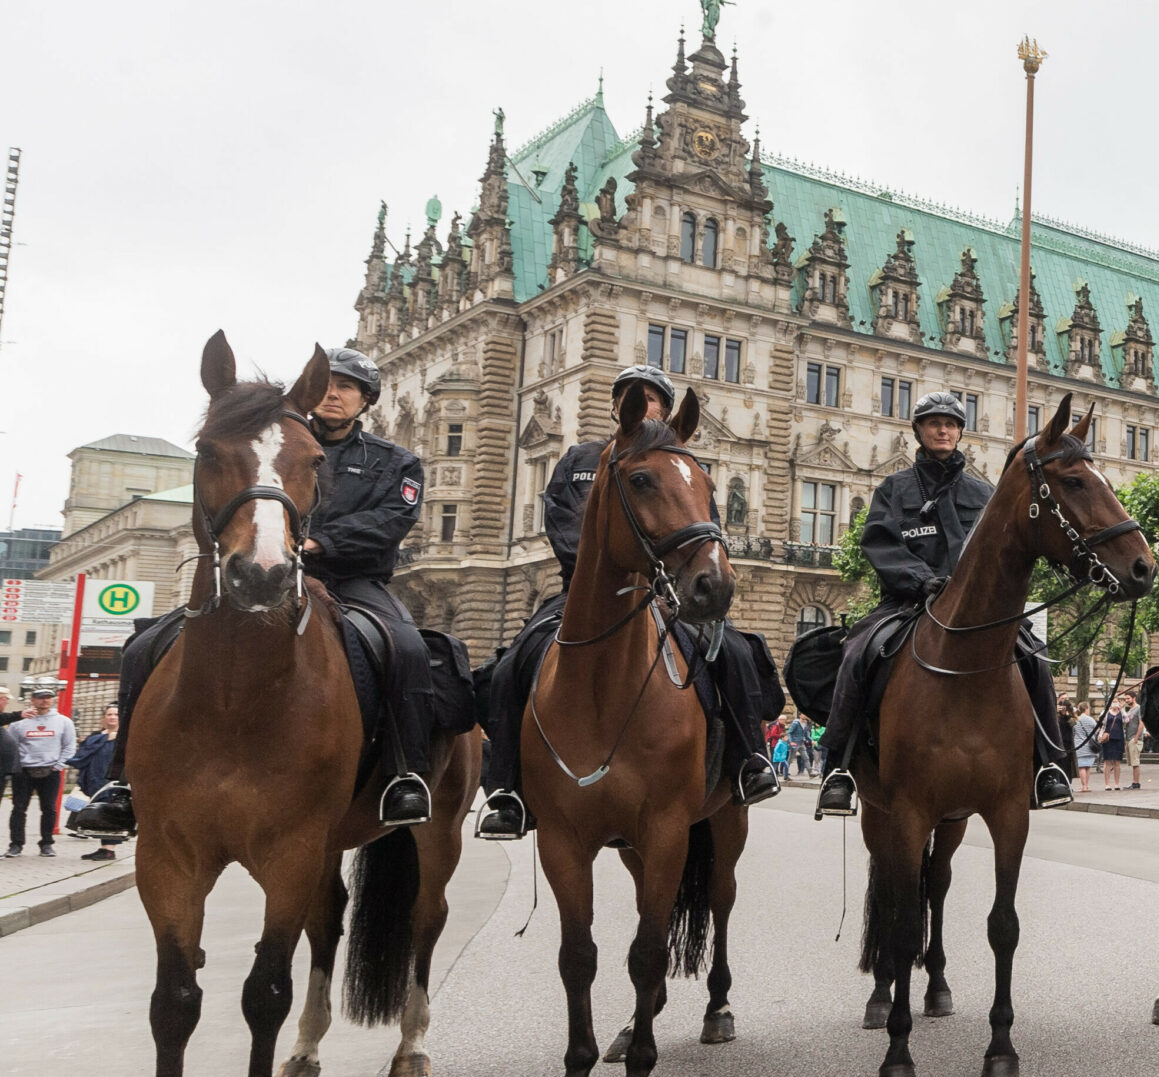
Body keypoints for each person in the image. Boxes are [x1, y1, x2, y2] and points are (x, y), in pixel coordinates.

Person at [80, 347, 434, 837]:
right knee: (143, 646)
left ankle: (404, 773)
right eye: (328, 384)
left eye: (348, 386)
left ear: (366, 400)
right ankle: (121, 784)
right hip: (265, 568)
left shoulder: (397, 462)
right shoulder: (274, 442)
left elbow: (393, 521)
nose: (335, 393)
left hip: (351, 580)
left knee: (408, 647)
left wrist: (318, 542)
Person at [476, 364, 779, 840]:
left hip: (664, 593)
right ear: (619, 407)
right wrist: (601, 568)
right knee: (513, 663)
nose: (644, 405)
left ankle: (749, 760)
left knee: (737, 653)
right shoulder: (581, 457)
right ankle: (506, 788)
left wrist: (679, 575)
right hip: (584, 591)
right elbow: (560, 518)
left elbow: (705, 525)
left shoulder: (683, 466)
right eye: (632, 397)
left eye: (654, 398)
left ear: (664, 407)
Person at [816, 393, 1075, 816]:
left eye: (951, 424)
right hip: (907, 605)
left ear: (960, 432)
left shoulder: (984, 492)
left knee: (1034, 653)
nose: (943, 430)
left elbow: (1005, 548)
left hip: (977, 614)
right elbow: (879, 544)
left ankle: (1049, 763)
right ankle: (838, 766)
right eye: (934, 423)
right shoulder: (894, 488)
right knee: (856, 651)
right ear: (918, 430)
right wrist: (923, 583)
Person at [4, 683, 77, 857]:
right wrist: (18, 766)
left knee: (49, 809)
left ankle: (46, 843)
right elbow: (13, 746)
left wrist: (58, 766)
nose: (45, 701)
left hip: (50, 771)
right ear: (33, 700)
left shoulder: (63, 721)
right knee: (19, 809)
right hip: (24, 772)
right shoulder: (19, 722)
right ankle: (16, 844)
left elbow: (69, 746)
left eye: (48, 697)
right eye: (41, 698)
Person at [70, 706, 123, 862]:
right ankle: (104, 847)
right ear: (103, 718)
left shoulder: (126, 738)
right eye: (109, 714)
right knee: (100, 813)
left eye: (116, 714)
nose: (112, 717)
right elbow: (82, 754)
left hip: (116, 783)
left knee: (112, 813)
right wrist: (104, 739)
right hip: (96, 780)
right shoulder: (96, 737)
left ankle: (109, 849)